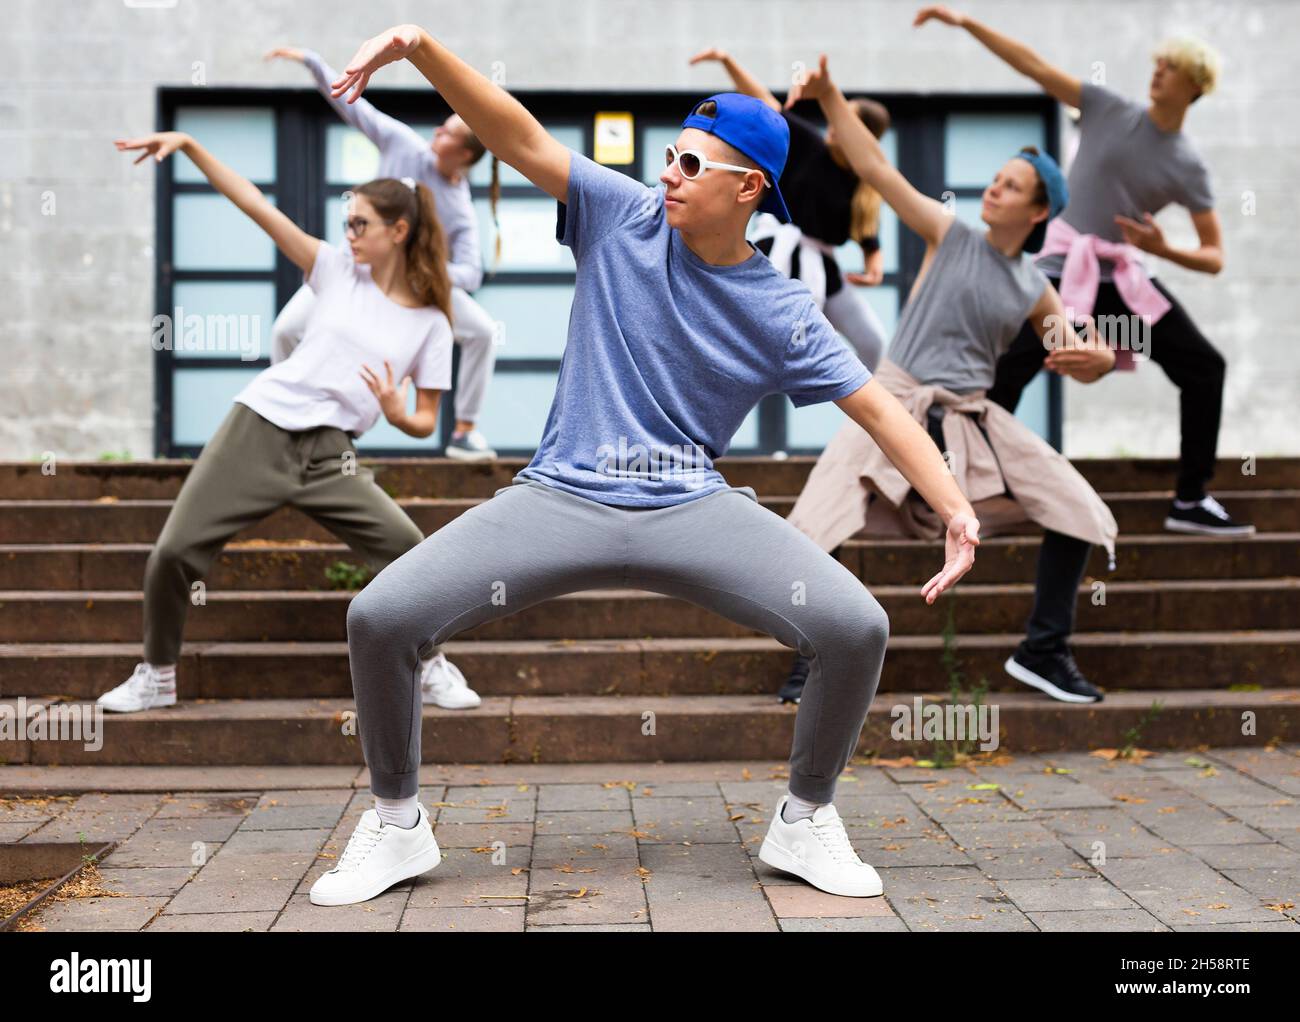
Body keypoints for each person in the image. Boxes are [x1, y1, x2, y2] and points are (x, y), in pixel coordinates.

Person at [306, 23, 982, 908]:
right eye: (670, 156)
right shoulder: (621, 214)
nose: (668, 173)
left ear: (749, 188)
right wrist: (420, 50)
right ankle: (396, 826)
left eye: (692, 165)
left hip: (689, 506)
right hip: (560, 494)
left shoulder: (781, 309)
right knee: (381, 617)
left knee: (855, 628)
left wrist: (957, 509)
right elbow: (519, 135)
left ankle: (804, 818)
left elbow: (878, 407)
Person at [100, 131, 479, 715]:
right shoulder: (332, 271)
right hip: (259, 426)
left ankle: (430, 662)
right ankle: (156, 673)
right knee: (174, 551)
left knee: (407, 547)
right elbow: (257, 206)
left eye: (359, 224)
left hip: (333, 454)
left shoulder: (432, 321)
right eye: (346, 222)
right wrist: (192, 146)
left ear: (397, 232)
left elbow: (426, 420)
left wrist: (400, 412)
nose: (347, 234)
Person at [780, 56, 1119, 707]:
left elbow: (1078, 352)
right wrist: (829, 96)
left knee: (1079, 509)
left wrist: (1098, 360)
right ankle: (815, 660)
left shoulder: (1034, 288)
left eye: (1012, 186)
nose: (994, 190)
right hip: (892, 400)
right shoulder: (950, 233)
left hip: (970, 419)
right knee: (813, 526)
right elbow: (876, 167)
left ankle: (1044, 652)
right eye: (994, 180)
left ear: (1040, 208)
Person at [915, 7, 1251, 536]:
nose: (1157, 71)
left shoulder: (1188, 164)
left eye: (1171, 67)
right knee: (1004, 372)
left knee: (1203, 366)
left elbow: (1215, 256)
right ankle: (955, 487)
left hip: (1119, 283)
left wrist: (1163, 249)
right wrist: (965, 24)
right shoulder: (1109, 108)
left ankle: (1190, 499)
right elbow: (1034, 67)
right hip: (1053, 273)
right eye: (1158, 62)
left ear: (1195, 85)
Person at [265, 45, 503, 461]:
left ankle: (464, 432)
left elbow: (471, 272)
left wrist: (425, 271)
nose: (436, 134)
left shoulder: (460, 208)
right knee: (285, 331)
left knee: (482, 331)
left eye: (446, 133)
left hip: (410, 284)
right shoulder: (403, 145)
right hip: (353, 271)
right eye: (440, 127)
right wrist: (311, 60)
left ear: (464, 155)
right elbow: (352, 106)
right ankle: (282, 424)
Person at [690, 47, 890, 371]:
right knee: (751, 335)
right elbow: (763, 101)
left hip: (822, 270)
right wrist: (728, 60)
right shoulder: (808, 141)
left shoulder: (865, 184)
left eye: (846, 119)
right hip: (775, 254)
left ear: (862, 136)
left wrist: (873, 270)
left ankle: (859, 414)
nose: (835, 124)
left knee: (873, 341)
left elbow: (870, 241)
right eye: (836, 115)